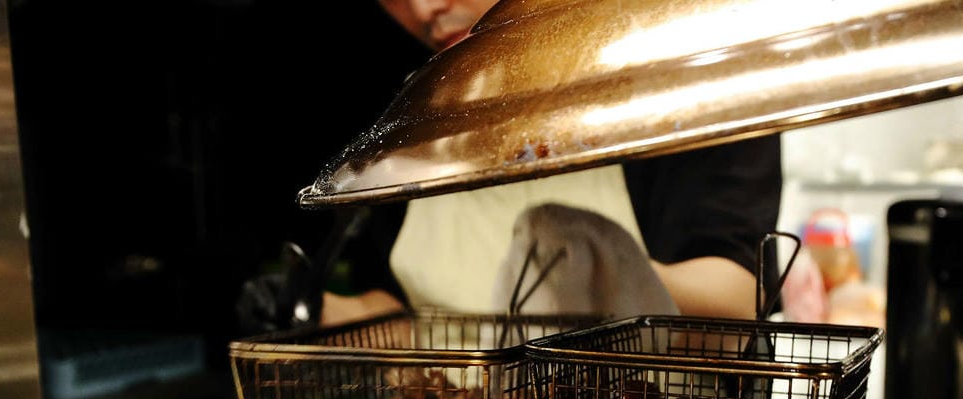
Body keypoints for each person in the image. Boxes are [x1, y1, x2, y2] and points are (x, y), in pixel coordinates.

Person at [241, 0, 783, 332]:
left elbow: (735, 301)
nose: (425, 7)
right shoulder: (416, 112)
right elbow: (407, 306)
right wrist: (319, 310)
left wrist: (601, 263)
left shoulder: (676, 83)